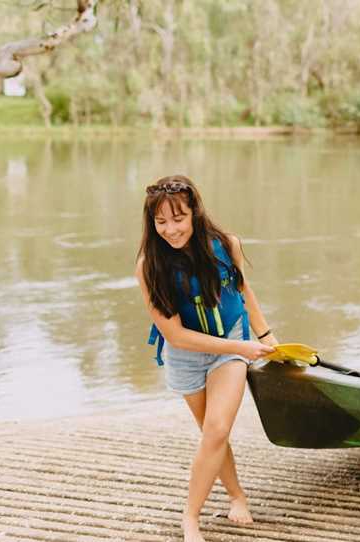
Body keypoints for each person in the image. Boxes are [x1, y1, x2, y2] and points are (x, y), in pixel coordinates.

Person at [136, 175, 278, 542]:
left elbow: (246, 295)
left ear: (195, 212)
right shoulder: (148, 265)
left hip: (231, 341)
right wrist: (240, 349)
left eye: (178, 218)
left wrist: (265, 339)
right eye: (161, 222)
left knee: (216, 429)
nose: (170, 229)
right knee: (211, 435)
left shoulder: (226, 245)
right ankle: (236, 495)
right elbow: (175, 334)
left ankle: (190, 518)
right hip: (185, 355)